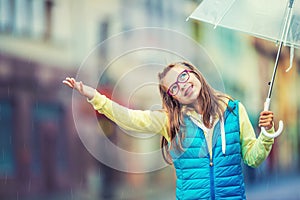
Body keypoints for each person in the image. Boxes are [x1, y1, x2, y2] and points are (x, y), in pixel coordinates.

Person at [63, 61, 275, 200]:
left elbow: (253, 158)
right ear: (172, 97)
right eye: (173, 87)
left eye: (183, 76)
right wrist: (95, 97)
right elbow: (130, 118)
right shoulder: (170, 122)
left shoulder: (234, 111)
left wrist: (265, 134)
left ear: (194, 74)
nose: (181, 85)